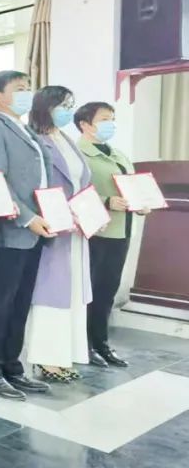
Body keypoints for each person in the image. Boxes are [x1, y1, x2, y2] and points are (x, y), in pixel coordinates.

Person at [0, 71, 55, 399]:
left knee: (19, 304)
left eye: (28, 88)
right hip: (10, 232)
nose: (27, 93)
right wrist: (28, 217)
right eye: (19, 89)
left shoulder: (27, 130)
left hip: (35, 232)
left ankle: (12, 366)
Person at [25, 87, 93, 382]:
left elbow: (81, 184)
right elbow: (36, 187)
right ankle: (46, 359)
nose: (68, 110)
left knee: (73, 293)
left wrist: (90, 214)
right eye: (63, 105)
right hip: (53, 227)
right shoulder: (35, 139)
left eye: (70, 105)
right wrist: (63, 213)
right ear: (46, 107)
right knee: (51, 295)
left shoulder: (66, 139)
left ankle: (65, 355)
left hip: (76, 229)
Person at [76, 102, 148, 367]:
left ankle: (101, 343)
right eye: (104, 119)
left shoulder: (118, 154)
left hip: (122, 230)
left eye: (112, 118)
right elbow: (74, 193)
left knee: (108, 290)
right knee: (91, 291)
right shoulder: (80, 155)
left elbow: (133, 186)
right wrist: (106, 201)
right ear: (85, 124)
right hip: (97, 231)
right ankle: (84, 345)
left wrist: (142, 201)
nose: (111, 124)